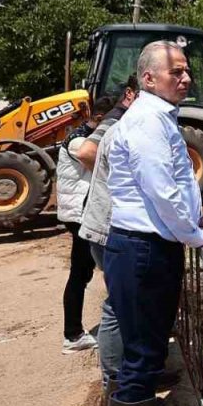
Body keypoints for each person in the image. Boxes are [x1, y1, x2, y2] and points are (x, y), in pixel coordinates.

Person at [102, 41, 203, 406]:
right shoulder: (149, 122)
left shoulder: (156, 117)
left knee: (144, 351)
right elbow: (162, 190)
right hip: (143, 250)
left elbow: (175, 186)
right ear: (149, 78)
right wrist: (195, 235)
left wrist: (196, 220)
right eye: (176, 71)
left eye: (186, 70)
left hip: (142, 247)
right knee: (142, 356)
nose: (185, 78)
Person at [77, 75, 140, 381]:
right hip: (107, 227)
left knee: (126, 303)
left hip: (105, 225)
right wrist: (115, 184)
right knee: (119, 304)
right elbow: (86, 152)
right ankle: (115, 381)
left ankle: (130, 374)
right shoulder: (116, 121)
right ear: (130, 93)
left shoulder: (124, 121)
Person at [57, 94, 118, 353]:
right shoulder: (79, 141)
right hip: (81, 215)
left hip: (81, 213)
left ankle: (74, 333)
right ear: (101, 119)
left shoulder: (83, 135)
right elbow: (104, 166)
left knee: (82, 272)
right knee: (81, 274)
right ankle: (73, 335)